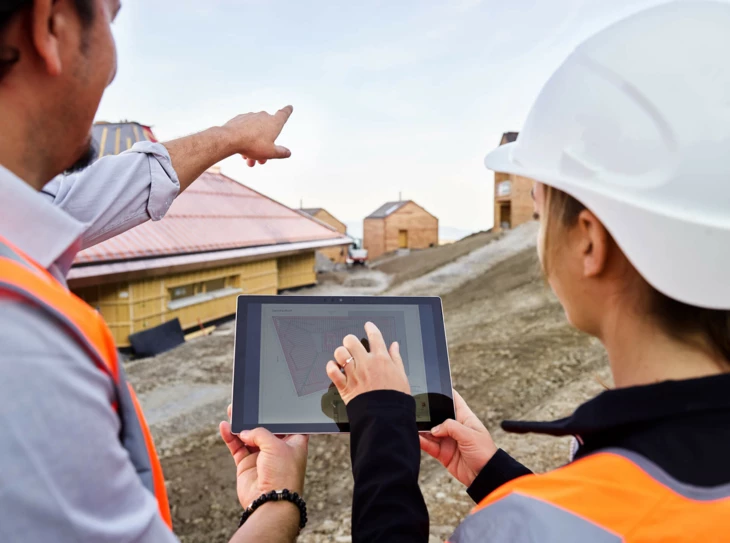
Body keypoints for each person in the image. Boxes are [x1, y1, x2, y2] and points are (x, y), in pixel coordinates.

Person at [325, 2, 730, 541]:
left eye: (540, 212)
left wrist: (380, 419)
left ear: (589, 240)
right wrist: (495, 476)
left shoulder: (517, 529)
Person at [0, 0, 307, 541]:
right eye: (110, 17)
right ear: (51, 26)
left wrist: (230, 135)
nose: (114, 68)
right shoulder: (21, 351)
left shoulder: (24, 211)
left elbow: (82, 198)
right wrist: (279, 500)